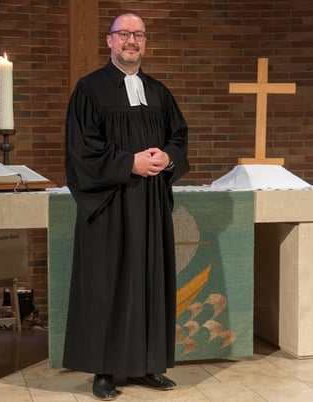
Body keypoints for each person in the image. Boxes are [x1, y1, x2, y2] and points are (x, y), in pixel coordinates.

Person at [63, 11, 189, 401]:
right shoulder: (90, 89)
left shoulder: (159, 91)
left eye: (138, 35)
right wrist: (128, 163)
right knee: (108, 284)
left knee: (151, 281)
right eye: (124, 34)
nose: (131, 41)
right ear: (110, 41)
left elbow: (179, 137)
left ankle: (149, 365)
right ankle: (104, 371)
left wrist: (166, 158)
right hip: (110, 204)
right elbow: (81, 150)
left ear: (145, 42)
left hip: (150, 205)